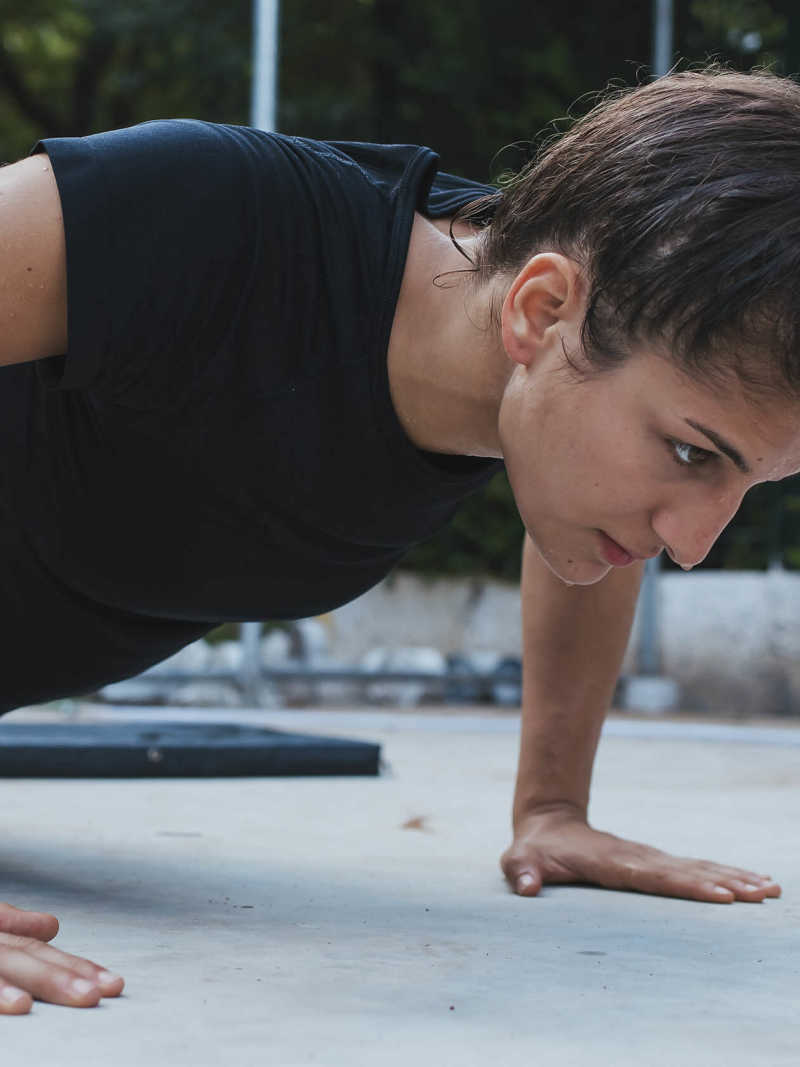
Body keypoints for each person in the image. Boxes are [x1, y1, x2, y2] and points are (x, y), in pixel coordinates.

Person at [0, 65, 794, 1014]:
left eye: (749, 480)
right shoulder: (214, 218)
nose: (696, 541)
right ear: (542, 311)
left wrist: (553, 808)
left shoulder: (550, 392)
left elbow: (598, 530)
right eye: (689, 450)